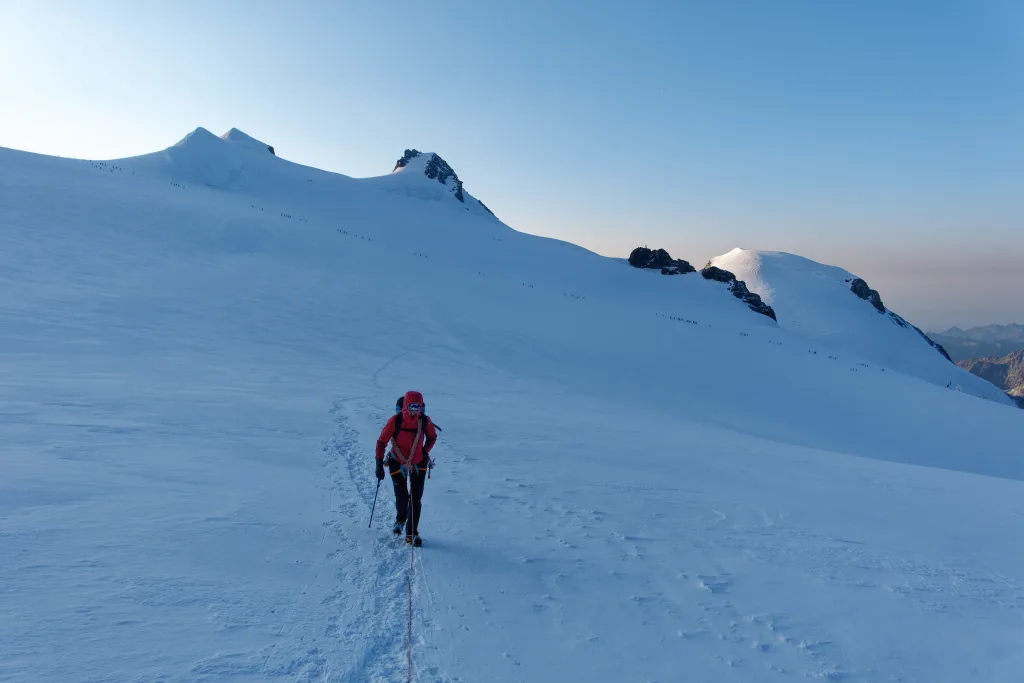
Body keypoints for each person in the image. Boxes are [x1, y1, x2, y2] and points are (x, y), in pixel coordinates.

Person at [375, 391, 437, 546]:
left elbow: (432, 437)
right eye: (411, 406)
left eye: (418, 406)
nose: (414, 410)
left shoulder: (425, 421)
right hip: (397, 460)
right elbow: (381, 442)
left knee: (415, 499)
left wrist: (423, 452)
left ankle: (411, 533)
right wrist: (378, 464)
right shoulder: (395, 421)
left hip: (419, 463)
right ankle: (400, 520)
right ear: (405, 406)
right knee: (402, 497)